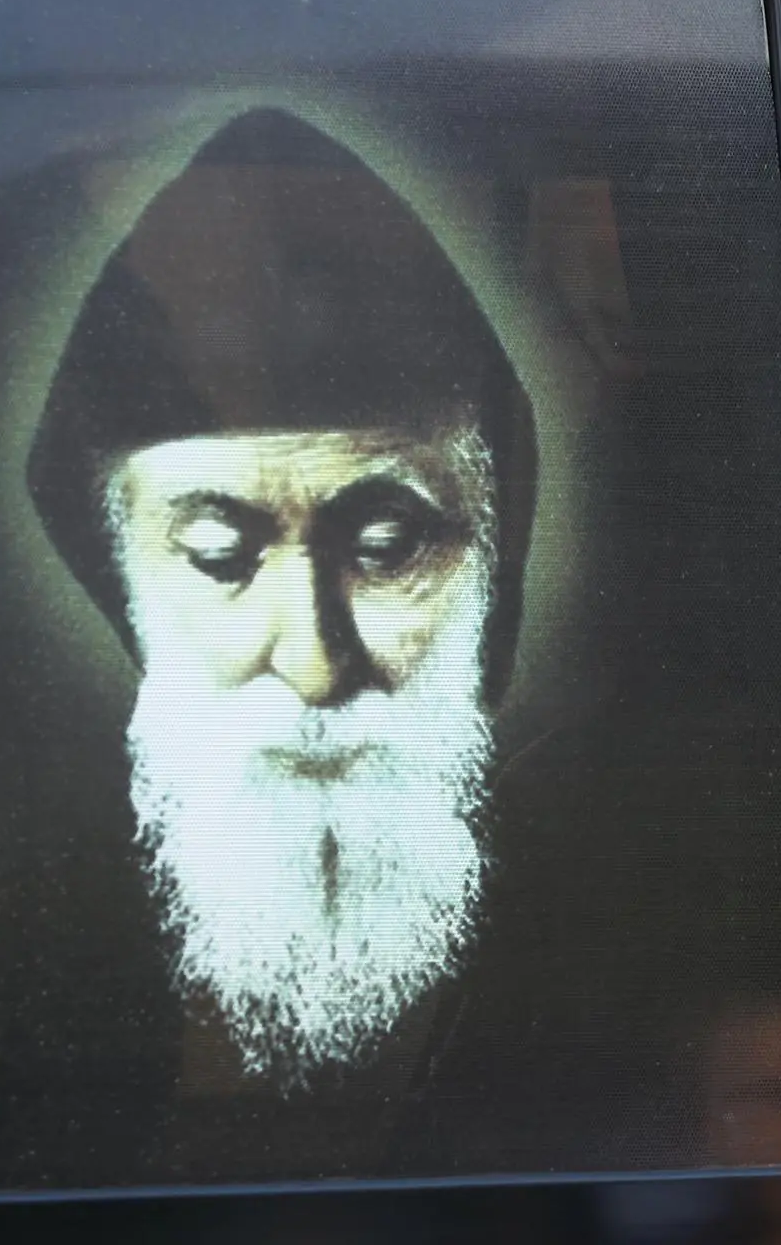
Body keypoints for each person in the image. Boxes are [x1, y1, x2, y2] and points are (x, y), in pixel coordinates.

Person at [27, 106, 537, 1095]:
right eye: (219, 557)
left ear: (495, 569)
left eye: (387, 548)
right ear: (120, 581)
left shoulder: (627, 991)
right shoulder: (23, 997)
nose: (313, 659)